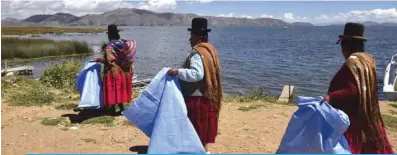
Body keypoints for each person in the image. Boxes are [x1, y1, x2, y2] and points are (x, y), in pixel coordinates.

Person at [323, 23, 394, 154]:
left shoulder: (352, 62)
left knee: (354, 148)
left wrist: (331, 97)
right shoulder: (367, 59)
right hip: (368, 113)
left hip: (354, 119)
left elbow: (353, 91)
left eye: (342, 46)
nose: (341, 51)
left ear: (347, 45)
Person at [167, 17, 222, 153]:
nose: (189, 39)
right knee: (202, 133)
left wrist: (177, 72)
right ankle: (204, 151)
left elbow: (197, 74)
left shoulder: (198, 52)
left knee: (196, 131)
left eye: (191, 35)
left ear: (198, 36)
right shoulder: (210, 50)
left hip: (197, 98)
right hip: (207, 95)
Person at [94, 24, 136, 114]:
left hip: (113, 71)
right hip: (124, 71)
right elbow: (128, 50)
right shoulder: (123, 44)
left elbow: (110, 61)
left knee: (113, 88)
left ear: (109, 35)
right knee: (119, 88)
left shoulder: (109, 46)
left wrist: (100, 60)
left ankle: (112, 108)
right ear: (117, 34)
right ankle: (121, 108)